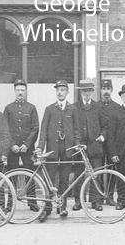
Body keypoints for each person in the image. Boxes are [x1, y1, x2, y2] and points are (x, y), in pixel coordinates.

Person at [35, 80, 81, 221]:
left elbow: (76, 130)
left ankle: (62, 208)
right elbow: (43, 130)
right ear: (56, 92)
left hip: (67, 149)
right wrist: (40, 147)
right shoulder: (50, 109)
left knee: (64, 180)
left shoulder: (72, 109)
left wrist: (77, 144)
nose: (60, 92)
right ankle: (47, 209)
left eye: (63, 89)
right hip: (52, 150)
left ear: (67, 92)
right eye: (58, 90)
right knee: (49, 179)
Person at [72, 79, 107, 211]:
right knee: (79, 174)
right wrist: (77, 143)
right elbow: (73, 127)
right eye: (84, 91)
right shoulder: (75, 107)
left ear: (92, 92)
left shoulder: (98, 107)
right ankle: (78, 201)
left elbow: (104, 126)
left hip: (95, 146)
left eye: (89, 91)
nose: (86, 93)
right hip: (80, 147)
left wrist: (102, 135)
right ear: (81, 92)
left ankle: (95, 201)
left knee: (96, 174)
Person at [4, 79, 39, 173]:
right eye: (18, 90)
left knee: (30, 175)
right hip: (13, 149)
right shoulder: (8, 108)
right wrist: (12, 145)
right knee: (12, 175)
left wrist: (26, 144)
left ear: (26, 91)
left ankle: (29, 189)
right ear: (14, 91)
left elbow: (35, 128)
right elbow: (4, 129)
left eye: (22, 90)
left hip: (27, 149)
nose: (20, 93)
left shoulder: (31, 108)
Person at [98, 78, 122, 207]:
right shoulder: (96, 106)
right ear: (100, 90)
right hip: (99, 144)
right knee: (99, 170)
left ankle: (110, 195)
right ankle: (100, 196)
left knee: (113, 169)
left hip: (112, 144)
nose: (106, 92)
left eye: (108, 89)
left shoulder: (116, 107)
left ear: (111, 90)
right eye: (103, 89)